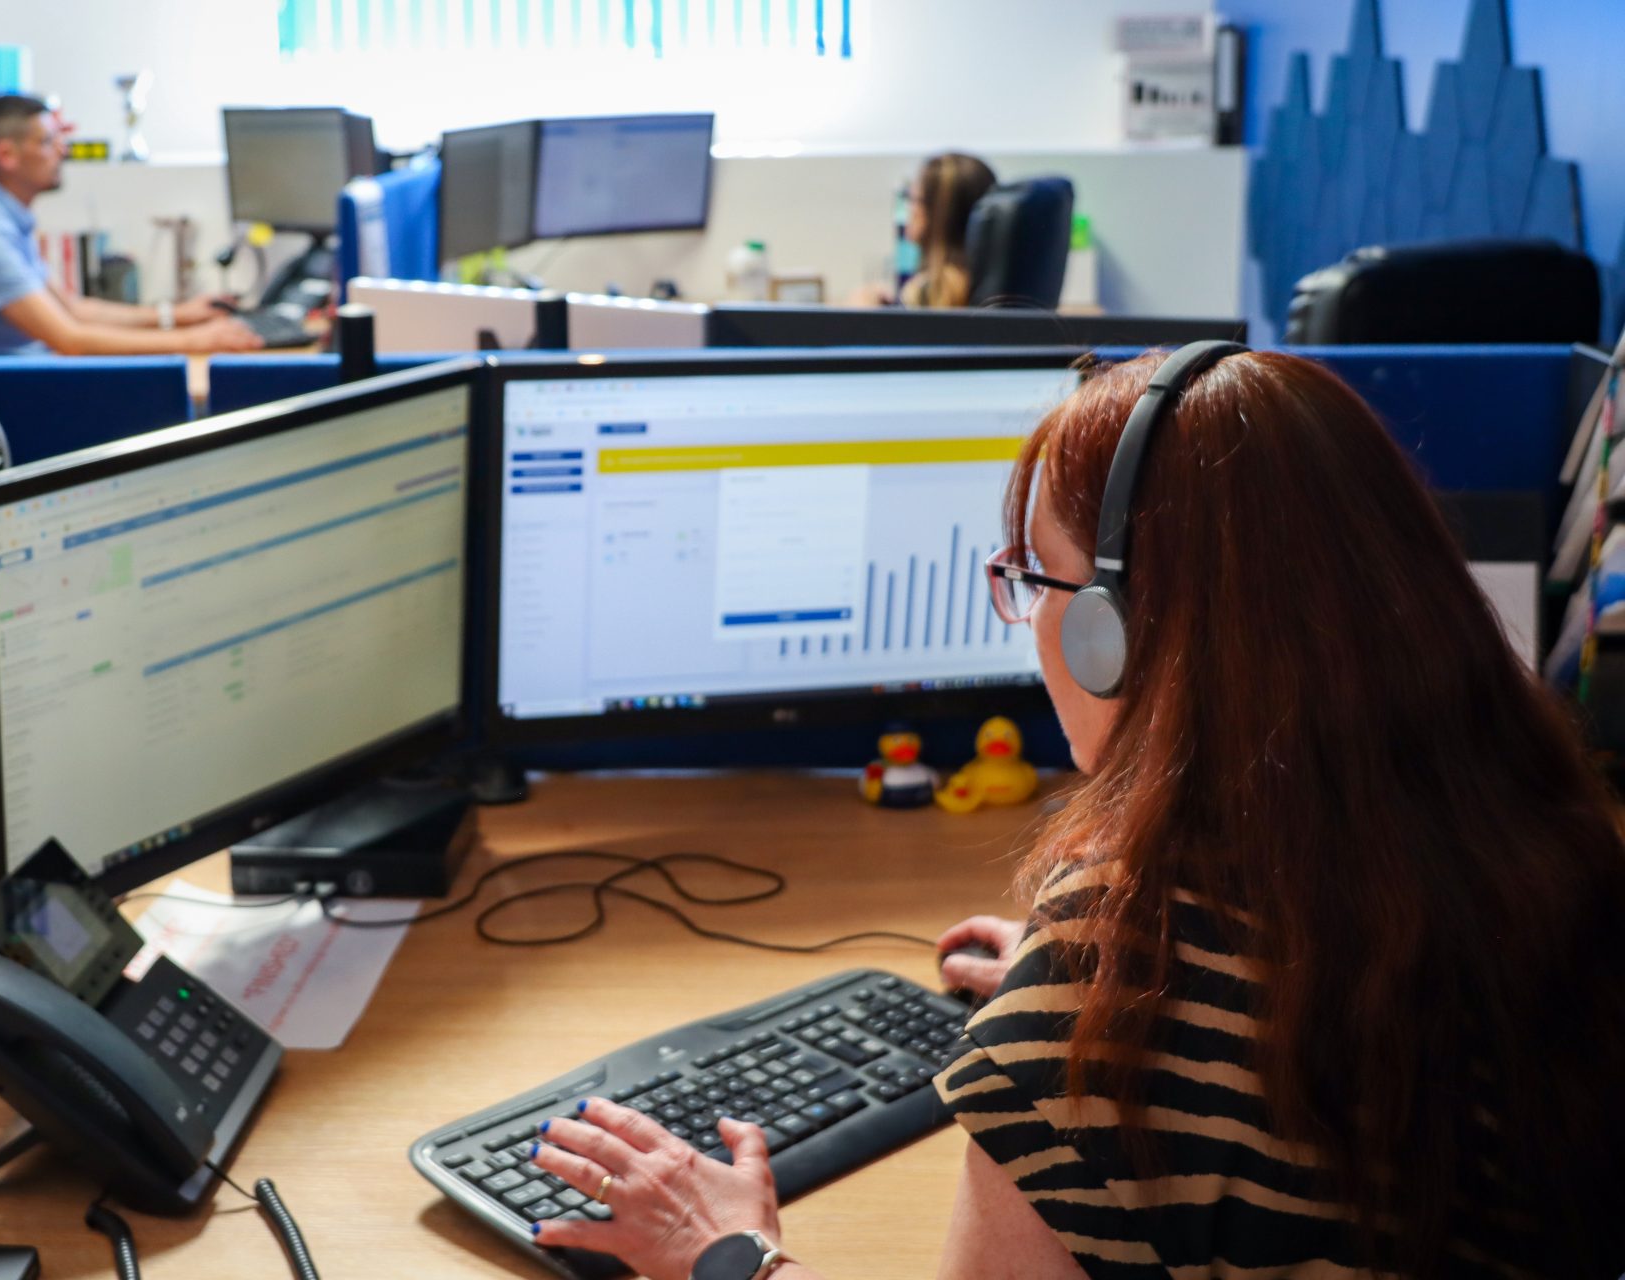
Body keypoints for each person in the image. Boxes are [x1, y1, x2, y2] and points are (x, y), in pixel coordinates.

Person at [524, 349, 1625, 1279]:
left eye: (1035, 577)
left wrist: (727, 1248)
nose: (1026, 616)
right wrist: (1128, 991)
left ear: (1117, 633)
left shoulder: (1113, 996)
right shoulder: (1547, 851)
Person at [0, 95, 263, 356]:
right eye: (47, 141)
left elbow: (73, 309)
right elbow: (69, 339)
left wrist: (174, 316)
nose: (63, 150)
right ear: (6, 155)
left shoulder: (1, 215)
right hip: (1, 396)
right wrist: (195, 339)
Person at [850, 152, 996, 310]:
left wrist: (864, 312)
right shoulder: (978, 283)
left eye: (914, 200)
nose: (908, 210)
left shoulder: (934, 291)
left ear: (937, 213)